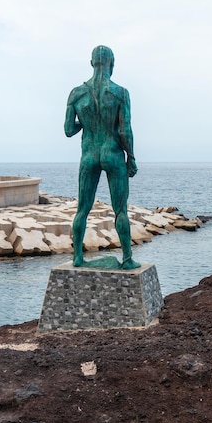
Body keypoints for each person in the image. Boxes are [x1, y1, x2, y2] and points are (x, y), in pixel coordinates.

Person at [64, 45, 140, 270]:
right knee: (120, 210)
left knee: (82, 210)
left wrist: (86, 122)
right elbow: (125, 130)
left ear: (91, 63)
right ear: (112, 64)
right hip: (113, 153)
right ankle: (127, 259)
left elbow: (68, 130)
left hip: (89, 155)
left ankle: (77, 257)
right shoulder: (120, 93)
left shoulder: (77, 93)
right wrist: (132, 157)